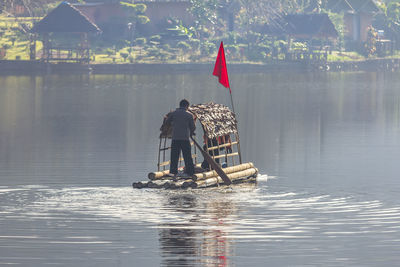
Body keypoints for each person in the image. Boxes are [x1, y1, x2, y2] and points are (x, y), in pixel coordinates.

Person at [165, 99, 196, 177]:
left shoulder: (173, 114)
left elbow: (167, 122)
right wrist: (191, 132)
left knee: (174, 156)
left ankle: (173, 171)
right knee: (187, 156)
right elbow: (193, 127)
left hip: (175, 138)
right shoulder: (189, 115)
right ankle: (190, 172)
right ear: (187, 106)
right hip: (185, 138)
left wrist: (173, 124)